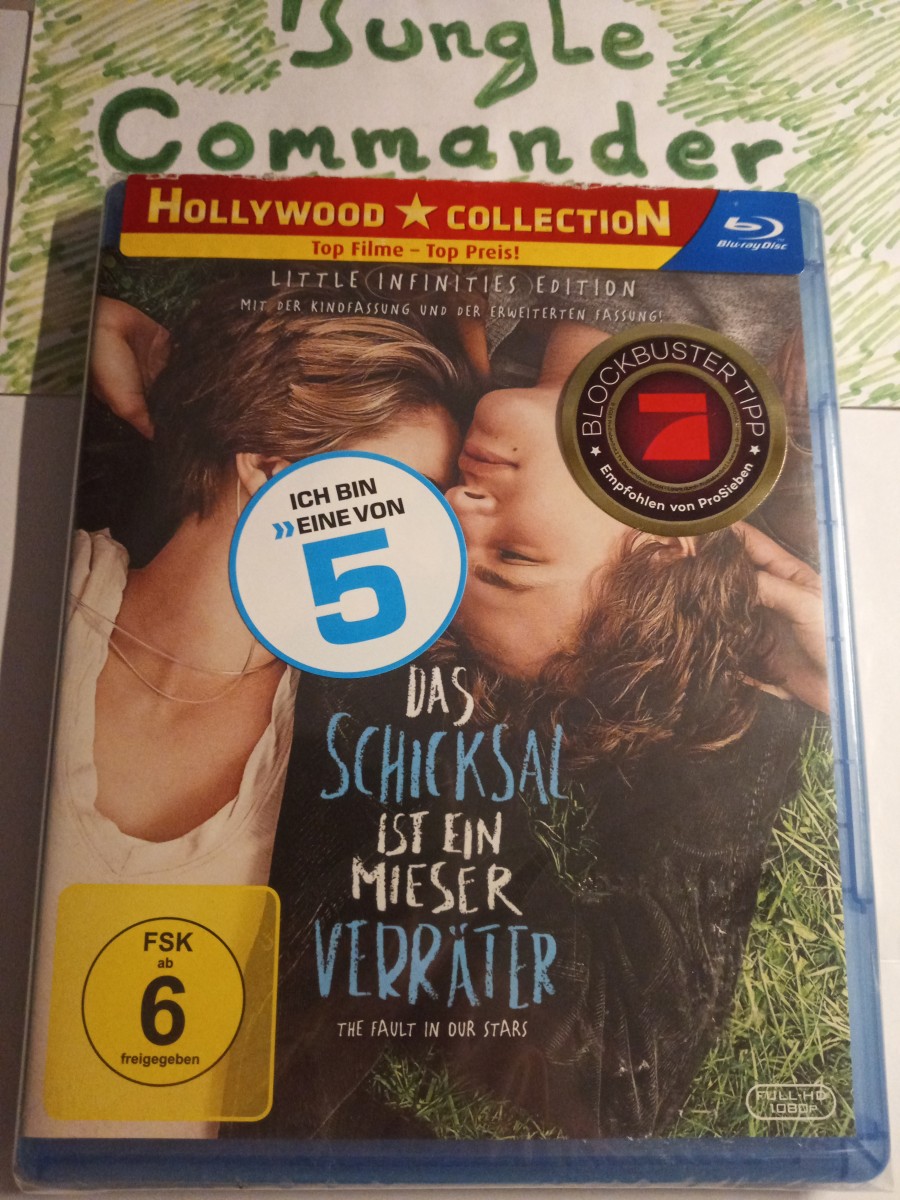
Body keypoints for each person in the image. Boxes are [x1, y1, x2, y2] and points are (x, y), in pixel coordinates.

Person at [248, 322, 830, 1142]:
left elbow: (620, 1073)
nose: (454, 508)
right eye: (517, 559)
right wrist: (775, 697)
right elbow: (633, 1069)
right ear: (666, 544)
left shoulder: (425, 351)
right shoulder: (789, 386)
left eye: (453, 557)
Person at [23, 294, 472, 1139]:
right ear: (268, 469)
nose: (434, 544)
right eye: (401, 497)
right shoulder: (38, 601)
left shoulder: (359, 742)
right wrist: (111, 324)